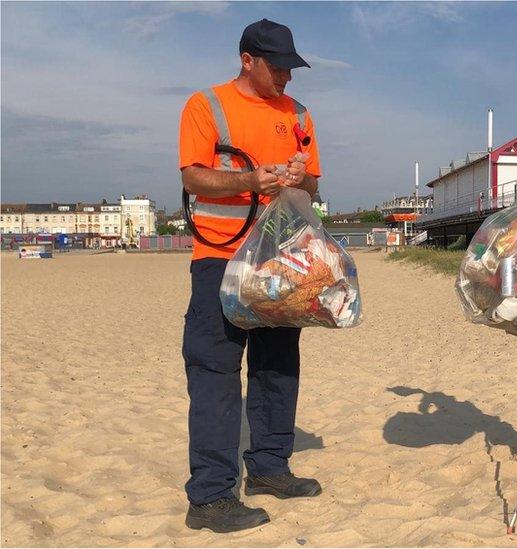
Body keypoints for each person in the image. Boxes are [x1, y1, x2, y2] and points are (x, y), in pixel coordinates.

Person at [178, 18, 322, 533]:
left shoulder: (299, 113)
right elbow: (194, 177)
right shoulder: (207, 105)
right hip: (219, 256)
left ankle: (269, 468)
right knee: (215, 370)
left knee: (278, 363)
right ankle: (211, 496)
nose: (288, 77)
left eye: (291, 67)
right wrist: (250, 178)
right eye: (278, 67)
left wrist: (296, 176)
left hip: (282, 259)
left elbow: (314, 186)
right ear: (247, 60)